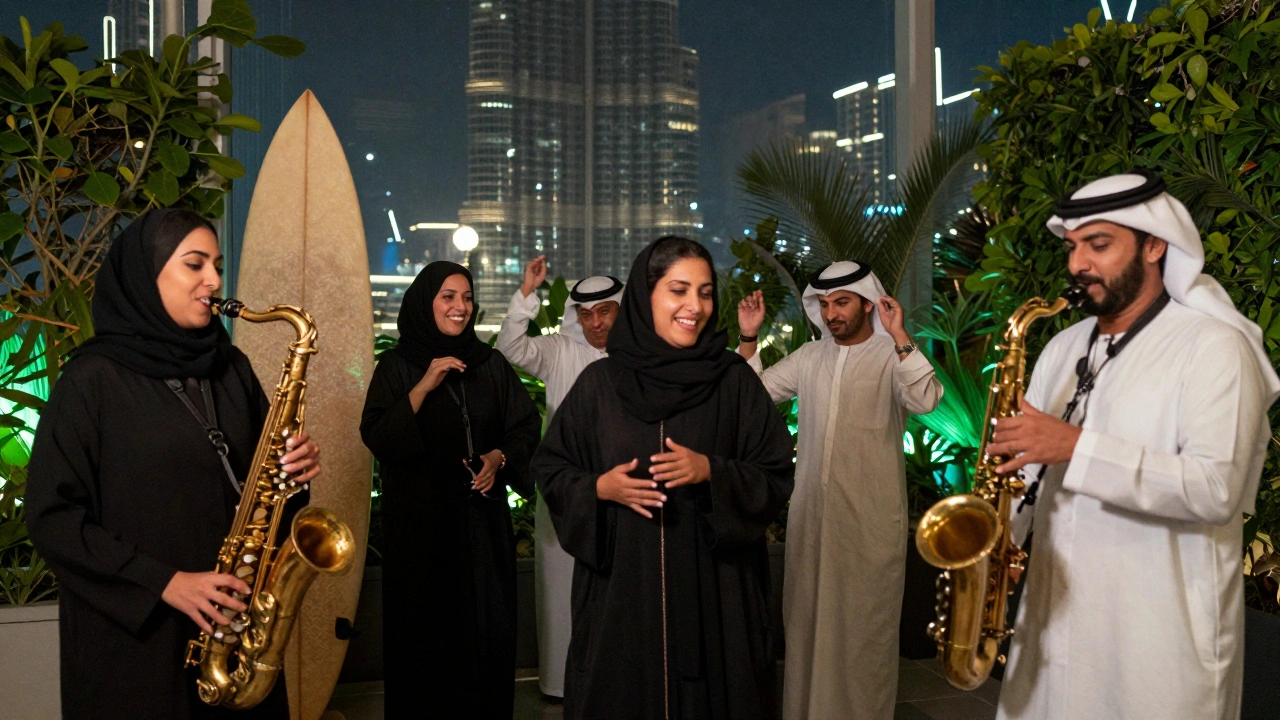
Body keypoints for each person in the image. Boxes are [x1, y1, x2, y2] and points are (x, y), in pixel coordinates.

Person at [988, 170, 1280, 719]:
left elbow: (1215, 490)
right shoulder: (1060, 348)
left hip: (1156, 644)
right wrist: (994, 537)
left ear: (1154, 244)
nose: (1078, 264)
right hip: (1050, 632)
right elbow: (1027, 471)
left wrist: (1077, 447)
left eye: (1099, 245)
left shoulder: (1214, 348)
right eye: (1074, 247)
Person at [25, 209, 322, 720]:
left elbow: (263, 498)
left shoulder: (231, 368)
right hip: (135, 650)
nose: (214, 280)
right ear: (146, 275)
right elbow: (54, 519)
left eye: (217, 264)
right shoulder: (90, 381)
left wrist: (292, 474)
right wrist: (165, 582)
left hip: (235, 638)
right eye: (195, 264)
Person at [531, 236, 795, 719]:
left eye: (706, 291)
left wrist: (712, 472)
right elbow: (551, 467)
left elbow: (775, 471)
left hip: (717, 597)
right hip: (622, 597)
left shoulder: (732, 381)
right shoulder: (601, 385)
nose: (695, 306)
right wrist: (596, 488)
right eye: (679, 290)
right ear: (645, 295)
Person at [736, 261, 943, 720]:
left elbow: (926, 399)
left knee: (863, 632)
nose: (831, 314)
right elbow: (748, 396)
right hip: (812, 519)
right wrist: (748, 338)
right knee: (807, 625)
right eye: (825, 304)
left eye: (842, 303)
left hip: (868, 522)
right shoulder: (811, 357)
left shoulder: (893, 356)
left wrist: (900, 334)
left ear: (868, 303)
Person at [360, 261, 541, 719]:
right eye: (448, 297)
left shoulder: (491, 365)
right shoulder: (398, 367)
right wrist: (425, 385)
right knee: (426, 644)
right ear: (426, 302)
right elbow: (378, 435)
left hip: (483, 531)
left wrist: (498, 459)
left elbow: (524, 425)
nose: (460, 307)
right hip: (422, 534)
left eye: (466, 297)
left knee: (487, 634)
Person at [495, 255, 624, 699]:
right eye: (586, 314)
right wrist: (527, 295)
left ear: (622, 312)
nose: (595, 323)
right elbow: (510, 348)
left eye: (604, 312)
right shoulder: (559, 353)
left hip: (624, 488)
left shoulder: (641, 360)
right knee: (560, 584)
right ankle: (559, 683)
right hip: (566, 491)